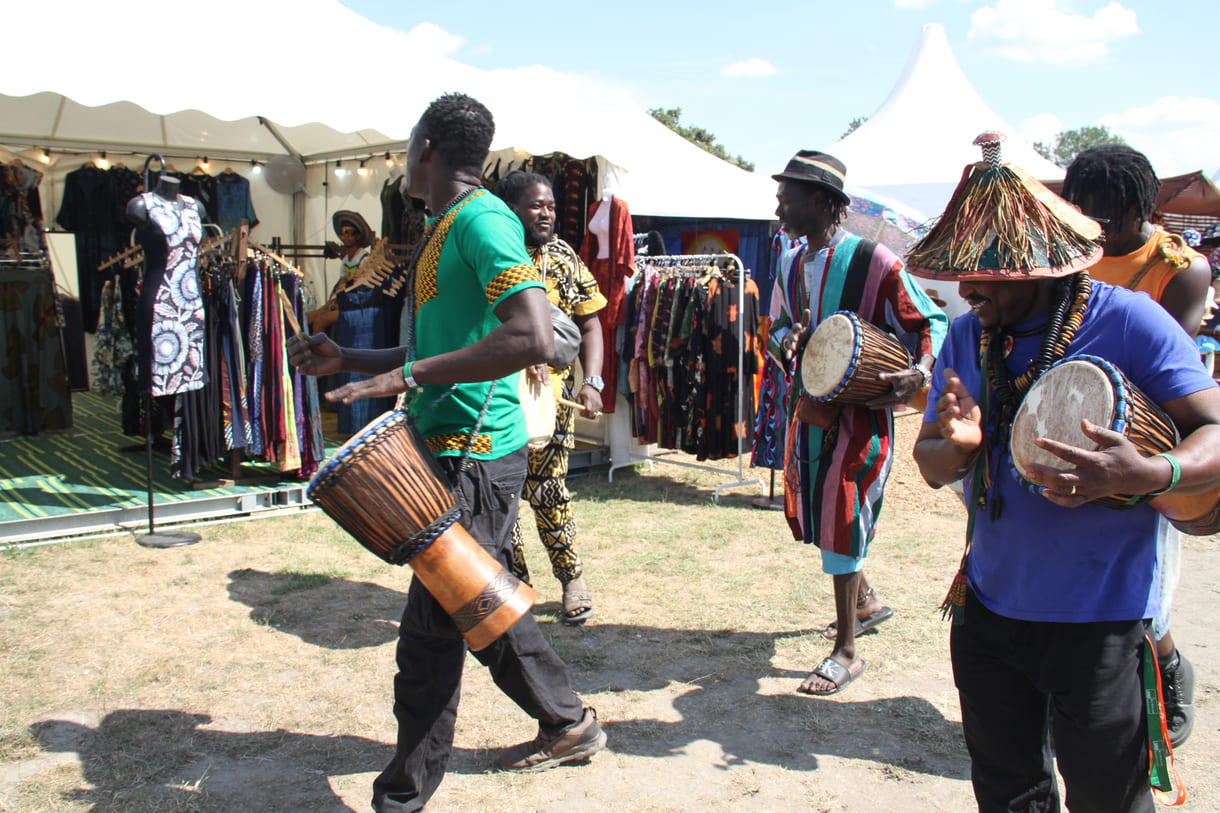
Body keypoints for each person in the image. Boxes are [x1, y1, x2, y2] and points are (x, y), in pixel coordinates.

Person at [287, 93, 606, 813]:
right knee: (480, 609)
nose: (404, 153)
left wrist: (411, 376)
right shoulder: (441, 228)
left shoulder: (484, 220)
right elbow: (435, 349)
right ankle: (566, 720)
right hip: (447, 449)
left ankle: (402, 795)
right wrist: (349, 355)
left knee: (432, 634)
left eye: (407, 142)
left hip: (477, 456)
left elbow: (530, 335)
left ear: (426, 145)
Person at [911, 134, 1220, 812]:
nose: (965, 286)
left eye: (982, 270)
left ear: (1035, 263)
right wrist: (958, 447)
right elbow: (929, 464)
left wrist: (1152, 469)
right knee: (1009, 793)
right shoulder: (968, 333)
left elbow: (1215, 428)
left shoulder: (1131, 320)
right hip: (988, 613)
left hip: (1101, 620)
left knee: (1109, 798)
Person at [769, 150, 947, 695]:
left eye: (788, 196)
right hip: (812, 409)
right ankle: (865, 601)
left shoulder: (877, 261)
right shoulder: (790, 263)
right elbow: (775, 325)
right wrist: (788, 341)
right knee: (820, 512)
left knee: (841, 510)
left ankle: (846, 650)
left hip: (861, 419)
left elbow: (929, 321)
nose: (779, 206)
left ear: (822, 201)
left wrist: (918, 371)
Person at [1062, 143, 1212, 747]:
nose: (1095, 228)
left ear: (1140, 208)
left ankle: (1169, 670)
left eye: (1108, 217)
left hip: (1148, 439)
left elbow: (1163, 356)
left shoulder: (1181, 268)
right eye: (1084, 214)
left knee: (1147, 588)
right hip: (1079, 421)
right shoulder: (1075, 256)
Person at [492, 170, 608, 625]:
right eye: (536, 205)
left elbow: (591, 324)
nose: (547, 213)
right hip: (496, 392)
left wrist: (591, 381)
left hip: (551, 398)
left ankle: (571, 577)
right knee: (503, 490)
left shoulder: (562, 256)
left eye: (552, 206)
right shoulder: (492, 255)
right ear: (510, 210)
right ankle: (515, 583)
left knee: (549, 487)